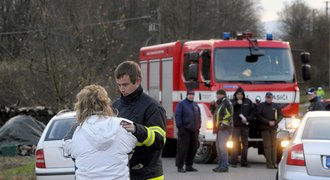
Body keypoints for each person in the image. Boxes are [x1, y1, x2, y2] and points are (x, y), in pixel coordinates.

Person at [63, 84, 137, 180]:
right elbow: (131, 148)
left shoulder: (75, 131)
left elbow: (67, 149)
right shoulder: (123, 125)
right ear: (106, 103)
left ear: (81, 106)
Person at [112, 60, 167, 180]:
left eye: (125, 84)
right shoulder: (115, 105)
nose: (122, 89)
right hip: (123, 174)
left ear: (137, 81)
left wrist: (137, 130)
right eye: (119, 84)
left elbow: (160, 140)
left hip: (149, 175)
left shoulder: (152, 107)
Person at [175, 89, 201, 173]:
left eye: (193, 94)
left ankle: (189, 165)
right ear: (187, 95)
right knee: (182, 149)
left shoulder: (195, 105)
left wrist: (198, 127)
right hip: (185, 130)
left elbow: (199, 117)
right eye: (190, 94)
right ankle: (180, 166)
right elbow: (178, 116)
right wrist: (180, 127)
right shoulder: (181, 104)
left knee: (193, 148)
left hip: (194, 131)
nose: (191, 95)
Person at [257, 92, 282, 169]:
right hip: (265, 128)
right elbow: (258, 116)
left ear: (272, 98)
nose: (269, 99)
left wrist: (275, 122)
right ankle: (269, 163)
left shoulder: (276, 106)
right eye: (267, 97)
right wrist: (267, 122)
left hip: (273, 128)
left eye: (270, 97)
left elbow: (281, 115)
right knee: (267, 146)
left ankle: (274, 163)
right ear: (265, 98)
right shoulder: (261, 106)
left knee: (274, 146)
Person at [230, 87, 254, 168]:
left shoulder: (248, 101)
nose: (239, 96)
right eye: (238, 94)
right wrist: (237, 103)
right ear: (235, 95)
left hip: (245, 126)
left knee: (245, 145)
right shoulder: (232, 101)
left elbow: (253, 112)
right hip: (236, 126)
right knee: (235, 144)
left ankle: (244, 162)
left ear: (243, 95)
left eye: (241, 94)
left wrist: (247, 119)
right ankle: (234, 162)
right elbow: (229, 108)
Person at [212, 89, 233, 173]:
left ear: (222, 95)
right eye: (217, 94)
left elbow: (229, 115)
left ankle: (224, 166)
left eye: (218, 94)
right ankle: (220, 165)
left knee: (222, 148)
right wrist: (212, 106)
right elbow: (216, 115)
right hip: (219, 129)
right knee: (218, 148)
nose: (217, 96)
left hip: (224, 128)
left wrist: (222, 125)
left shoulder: (227, 103)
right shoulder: (220, 103)